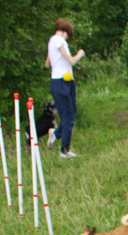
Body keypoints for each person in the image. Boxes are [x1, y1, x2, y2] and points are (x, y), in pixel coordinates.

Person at [46, 18, 85, 158]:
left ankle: (55, 134)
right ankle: (65, 150)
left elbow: (47, 63)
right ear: (65, 32)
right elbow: (71, 61)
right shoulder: (59, 40)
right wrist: (80, 54)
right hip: (62, 81)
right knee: (68, 117)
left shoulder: (51, 41)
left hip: (61, 81)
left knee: (70, 115)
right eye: (68, 34)